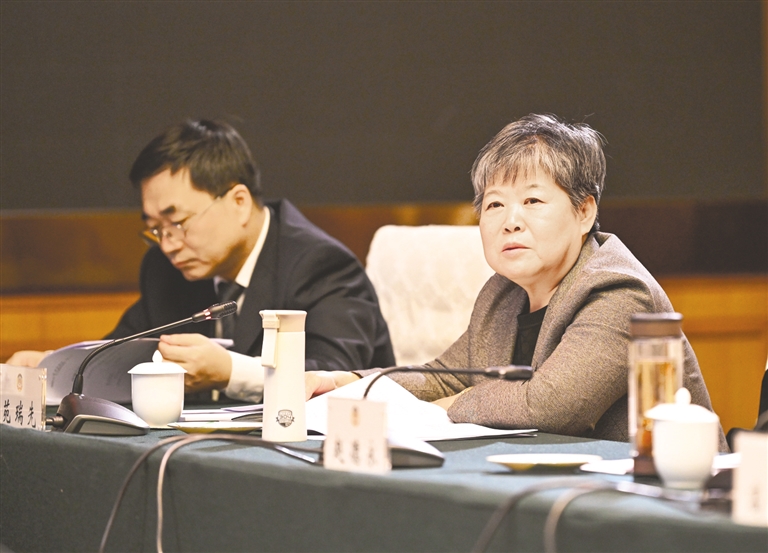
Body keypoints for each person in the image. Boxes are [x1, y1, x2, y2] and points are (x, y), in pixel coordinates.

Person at [306, 113, 726, 448]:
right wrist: (347, 383)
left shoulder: (619, 291)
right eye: (494, 205)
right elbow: (443, 376)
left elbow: (553, 406)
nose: (510, 221)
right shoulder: (503, 293)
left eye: (532, 200)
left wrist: (451, 406)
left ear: (584, 212)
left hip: (660, 499)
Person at [9, 119, 395, 402]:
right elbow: (118, 354)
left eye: (177, 222)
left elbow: (334, 378)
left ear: (239, 202)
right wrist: (55, 367)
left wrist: (229, 371)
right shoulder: (165, 270)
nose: (168, 244)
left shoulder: (321, 264)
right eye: (155, 229)